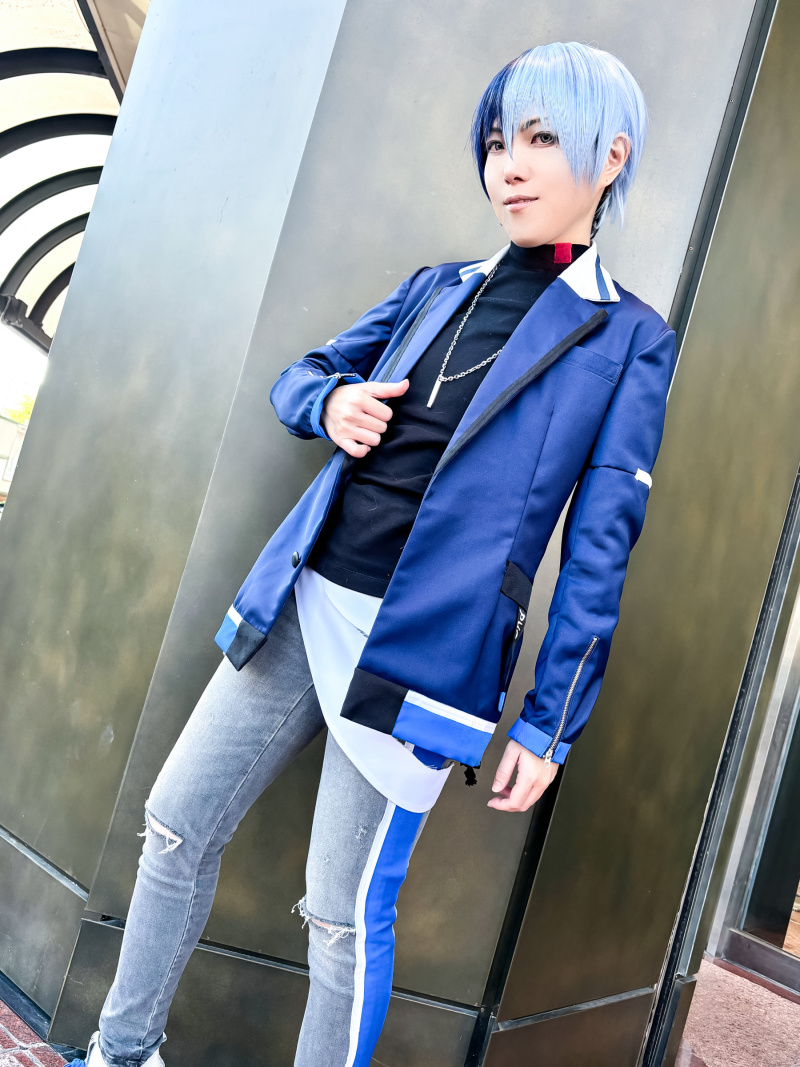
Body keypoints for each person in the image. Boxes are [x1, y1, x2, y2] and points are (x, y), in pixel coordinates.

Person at [75, 40, 677, 1067]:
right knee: (175, 821)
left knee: (342, 915)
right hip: (304, 597)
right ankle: (120, 1052)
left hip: (423, 654)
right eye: (498, 142)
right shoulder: (435, 286)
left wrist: (550, 721)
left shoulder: (627, 337)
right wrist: (331, 402)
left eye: (541, 139)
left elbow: (599, 549)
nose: (509, 166)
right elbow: (300, 376)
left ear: (610, 154)